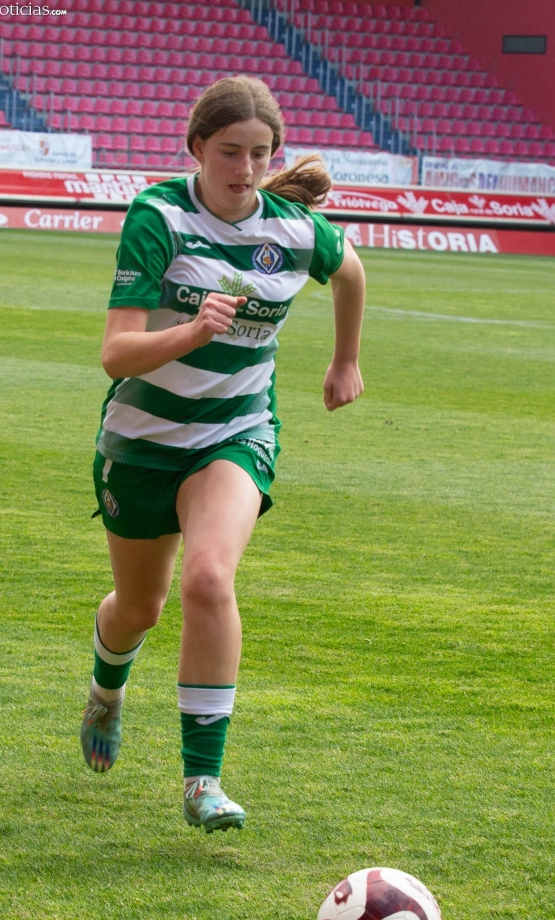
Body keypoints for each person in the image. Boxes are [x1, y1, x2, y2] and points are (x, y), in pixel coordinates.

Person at [81, 76, 366, 832]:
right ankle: (107, 689)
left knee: (210, 575)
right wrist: (193, 331)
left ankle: (202, 781)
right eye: (229, 152)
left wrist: (345, 361)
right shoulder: (158, 216)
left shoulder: (296, 230)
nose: (244, 168)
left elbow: (350, 272)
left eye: (259, 153)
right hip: (142, 441)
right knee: (140, 605)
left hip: (235, 432)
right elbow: (116, 354)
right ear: (197, 149)